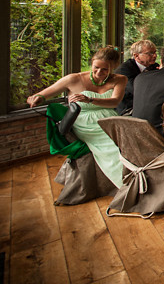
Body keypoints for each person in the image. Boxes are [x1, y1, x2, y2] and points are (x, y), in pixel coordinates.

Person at [28, 45, 126, 188]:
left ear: (113, 67)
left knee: (130, 141)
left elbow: (115, 102)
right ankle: (125, 185)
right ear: (92, 63)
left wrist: (90, 100)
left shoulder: (120, 79)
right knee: (113, 147)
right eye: (96, 67)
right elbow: (44, 94)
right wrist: (36, 98)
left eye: (105, 69)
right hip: (85, 121)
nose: (99, 72)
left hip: (111, 117)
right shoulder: (73, 79)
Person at [115, 39, 158, 114]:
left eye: (155, 52)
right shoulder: (124, 69)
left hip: (147, 105)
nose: (154, 56)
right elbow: (136, 90)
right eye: (150, 53)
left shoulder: (155, 67)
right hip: (128, 108)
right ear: (136, 56)